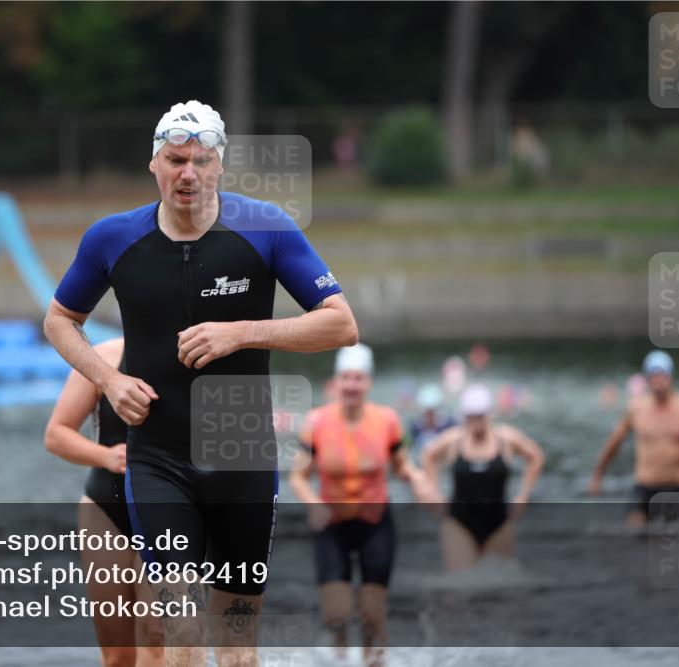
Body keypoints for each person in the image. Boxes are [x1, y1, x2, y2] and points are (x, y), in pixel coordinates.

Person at [43, 100, 358, 667]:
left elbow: (341, 324)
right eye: (175, 160)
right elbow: (59, 320)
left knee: (237, 650)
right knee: (181, 634)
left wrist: (242, 332)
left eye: (201, 161)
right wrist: (109, 380)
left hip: (243, 462)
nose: (188, 174)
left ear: (220, 166)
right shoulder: (112, 239)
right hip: (159, 460)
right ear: (154, 164)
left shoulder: (265, 227)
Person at [290, 344, 432, 667]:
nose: (352, 385)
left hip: (375, 522)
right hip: (331, 523)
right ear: (337, 382)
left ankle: (375, 661)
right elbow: (298, 477)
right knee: (336, 614)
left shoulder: (387, 420)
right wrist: (313, 505)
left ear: (368, 382)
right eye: (346, 378)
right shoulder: (316, 422)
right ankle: (340, 652)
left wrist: (418, 479)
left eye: (358, 378)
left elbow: (402, 466)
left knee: (372, 616)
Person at [45, 338, 164, 667]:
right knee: (117, 654)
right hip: (105, 509)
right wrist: (106, 456)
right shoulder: (103, 357)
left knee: (157, 636)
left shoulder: (196, 352)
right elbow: (56, 433)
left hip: (170, 508)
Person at [421, 383, 545, 571]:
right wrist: (434, 494)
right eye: (471, 416)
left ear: (489, 414)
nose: (476, 422)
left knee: (498, 580)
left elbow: (536, 456)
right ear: (464, 416)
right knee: (462, 581)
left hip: (499, 523)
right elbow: (428, 456)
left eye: (480, 416)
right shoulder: (454, 440)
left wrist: (523, 495)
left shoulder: (506, 439)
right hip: (459, 523)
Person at [589, 350, 679, 527]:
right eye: (654, 375)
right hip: (645, 487)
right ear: (647, 378)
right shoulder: (637, 409)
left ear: (670, 376)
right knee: (633, 529)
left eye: (663, 374)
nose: (659, 380)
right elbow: (614, 443)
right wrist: (598, 474)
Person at [408, 384, 455, 464]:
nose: (430, 416)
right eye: (427, 412)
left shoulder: (449, 425)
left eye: (432, 411)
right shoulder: (415, 428)